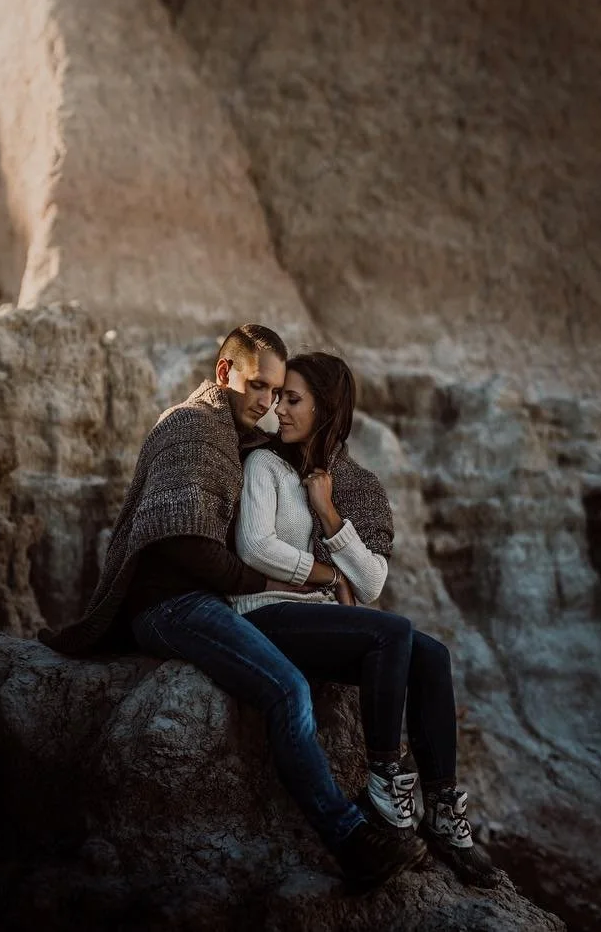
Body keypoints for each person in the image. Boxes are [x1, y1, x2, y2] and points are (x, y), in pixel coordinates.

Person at [39, 324, 425, 889]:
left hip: (201, 603)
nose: (267, 402)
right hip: (169, 607)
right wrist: (294, 581)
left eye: (277, 392)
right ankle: (349, 839)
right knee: (286, 688)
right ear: (226, 374)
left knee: (350, 659)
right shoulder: (193, 427)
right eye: (260, 386)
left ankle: (422, 805)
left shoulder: (234, 435)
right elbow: (189, 547)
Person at [227, 351, 498, 889]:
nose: (279, 408)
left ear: (327, 410)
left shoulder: (336, 484)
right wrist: (324, 574)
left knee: (432, 655)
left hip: (316, 621)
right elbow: (254, 545)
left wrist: (328, 512)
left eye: (293, 399)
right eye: (278, 397)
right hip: (264, 616)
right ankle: (383, 786)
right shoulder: (263, 464)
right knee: (392, 630)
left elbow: (371, 584)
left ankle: (443, 812)